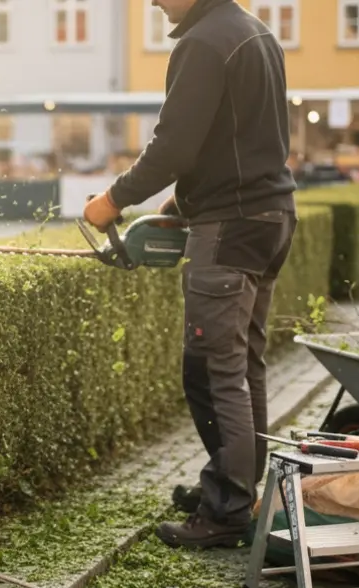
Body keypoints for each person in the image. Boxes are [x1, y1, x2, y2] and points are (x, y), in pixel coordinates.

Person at [82, 0, 298, 550]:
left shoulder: (202, 43)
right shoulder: (255, 34)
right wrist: (184, 203)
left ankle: (226, 512)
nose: (153, 0)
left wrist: (112, 201)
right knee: (243, 365)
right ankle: (235, 491)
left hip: (231, 226)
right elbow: (236, 140)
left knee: (210, 369)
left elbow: (173, 146)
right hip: (270, 217)